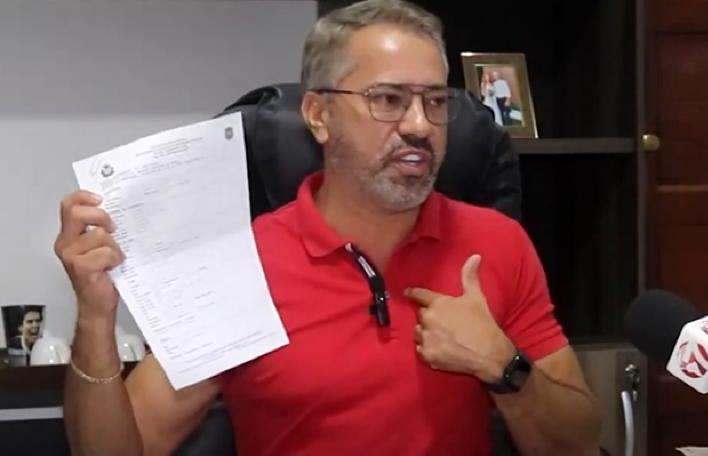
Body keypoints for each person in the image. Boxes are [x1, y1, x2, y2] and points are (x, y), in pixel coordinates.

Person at [54, 1, 601, 455]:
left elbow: (579, 444)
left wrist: (504, 366)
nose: (419, 125)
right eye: (388, 100)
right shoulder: (238, 264)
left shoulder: (495, 245)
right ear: (318, 115)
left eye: (435, 101)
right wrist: (96, 320)